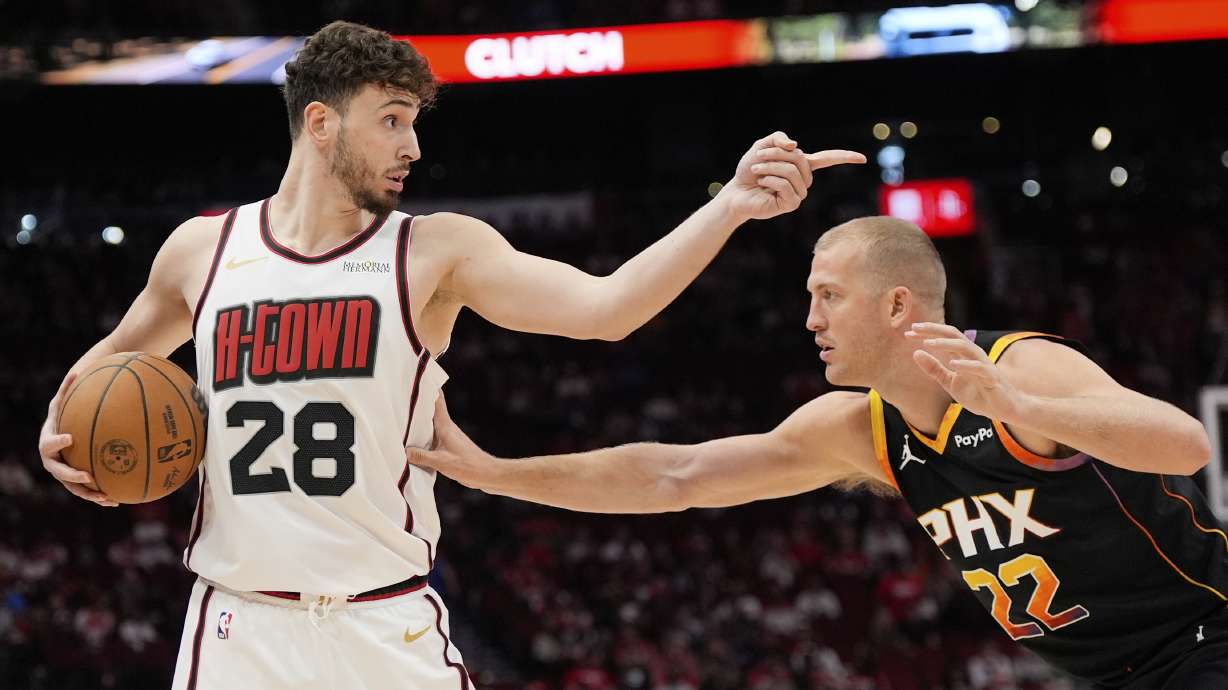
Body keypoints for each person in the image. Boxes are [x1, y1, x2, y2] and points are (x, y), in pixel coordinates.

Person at [33, 20, 864, 690]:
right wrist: (54, 429)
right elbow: (100, 373)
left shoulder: (434, 253)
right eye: (391, 120)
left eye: (415, 123)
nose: (413, 147)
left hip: (381, 622)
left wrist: (729, 209)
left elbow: (607, 310)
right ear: (320, 124)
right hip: (236, 626)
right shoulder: (200, 253)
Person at [413, 215, 1228, 689]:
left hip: (1204, 640)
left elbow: (1184, 444)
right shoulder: (860, 428)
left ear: (899, 304)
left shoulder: (1017, 368)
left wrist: (1020, 406)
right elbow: (676, 474)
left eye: (829, 296)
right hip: (1110, 676)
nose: (810, 318)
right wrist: (494, 475)